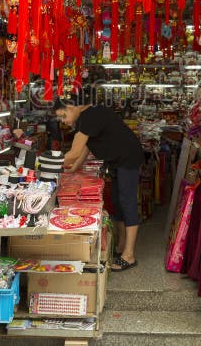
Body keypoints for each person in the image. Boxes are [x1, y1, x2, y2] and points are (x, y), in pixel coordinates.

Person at [54, 98, 143, 272]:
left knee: (127, 202)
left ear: (71, 107)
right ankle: (120, 247)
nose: (63, 121)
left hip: (128, 158)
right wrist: (73, 169)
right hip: (117, 160)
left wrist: (47, 163)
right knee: (117, 201)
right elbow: (86, 148)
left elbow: (74, 153)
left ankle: (129, 255)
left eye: (63, 116)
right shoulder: (86, 118)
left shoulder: (89, 117)